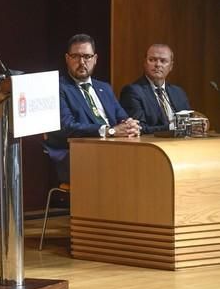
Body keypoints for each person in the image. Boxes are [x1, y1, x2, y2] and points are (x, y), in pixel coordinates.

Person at [44, 34, 140, 183]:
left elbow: (122, 116)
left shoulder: (104, 88)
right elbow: (68, 126)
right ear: (67, 59)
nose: (82, 62)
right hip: (78, 154)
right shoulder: (58, 87)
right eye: (75, 56)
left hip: (112, 149)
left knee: (145, 158)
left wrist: (131, 126)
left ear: (95, 59)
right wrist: (109, 131)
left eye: (87, 57)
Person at [119, 44, 191, 134]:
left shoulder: (178, 92)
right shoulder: (132, 91)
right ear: (145, 63)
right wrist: (172, 128)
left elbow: (189, 122)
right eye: (152, 60)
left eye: (163, 61)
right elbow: (139, 128)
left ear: (171, 66)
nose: (158, 64)